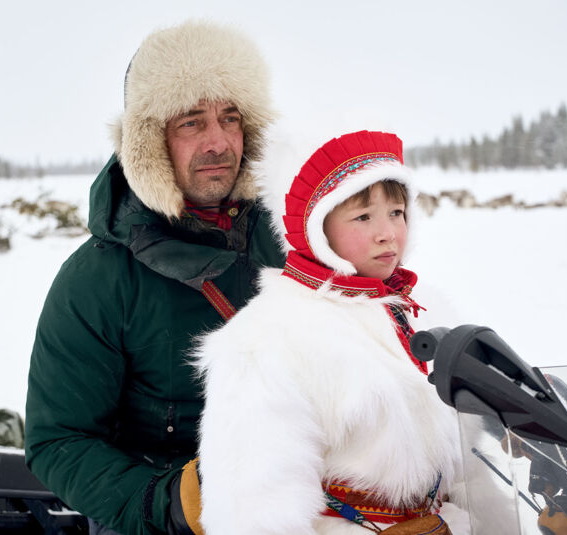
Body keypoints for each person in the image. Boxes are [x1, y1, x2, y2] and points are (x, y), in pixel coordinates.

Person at [25, 20, 284, 535]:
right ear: (150, 140)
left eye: (229, 118)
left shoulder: (290, 242)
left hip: (296, 496)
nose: (217, 142)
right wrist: (167, 504)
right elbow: (60, 441)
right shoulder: (97, 279)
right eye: (191, 122)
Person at [194, 130, 469, 534]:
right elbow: (252, 510)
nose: (387, 232)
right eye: (363, 217)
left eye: (396, 212)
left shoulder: (423, 309)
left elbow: (469, 454)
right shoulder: (268, 337)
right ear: (318, 229)